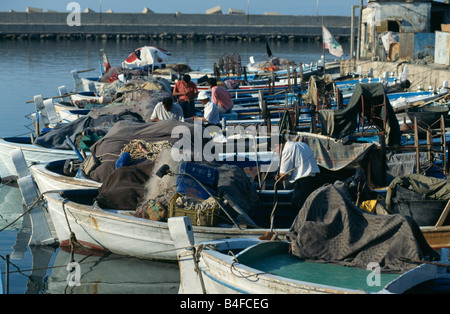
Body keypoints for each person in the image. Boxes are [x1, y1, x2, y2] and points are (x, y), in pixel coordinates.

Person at [275, 135, 320, 212]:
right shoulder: (303, 145)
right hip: (314, 181)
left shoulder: (287, 149)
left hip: (302, 185)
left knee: (299, 212)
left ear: (277, 145)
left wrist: (277, 178)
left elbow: (284, 175)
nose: (276, 153)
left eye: (274, 150)